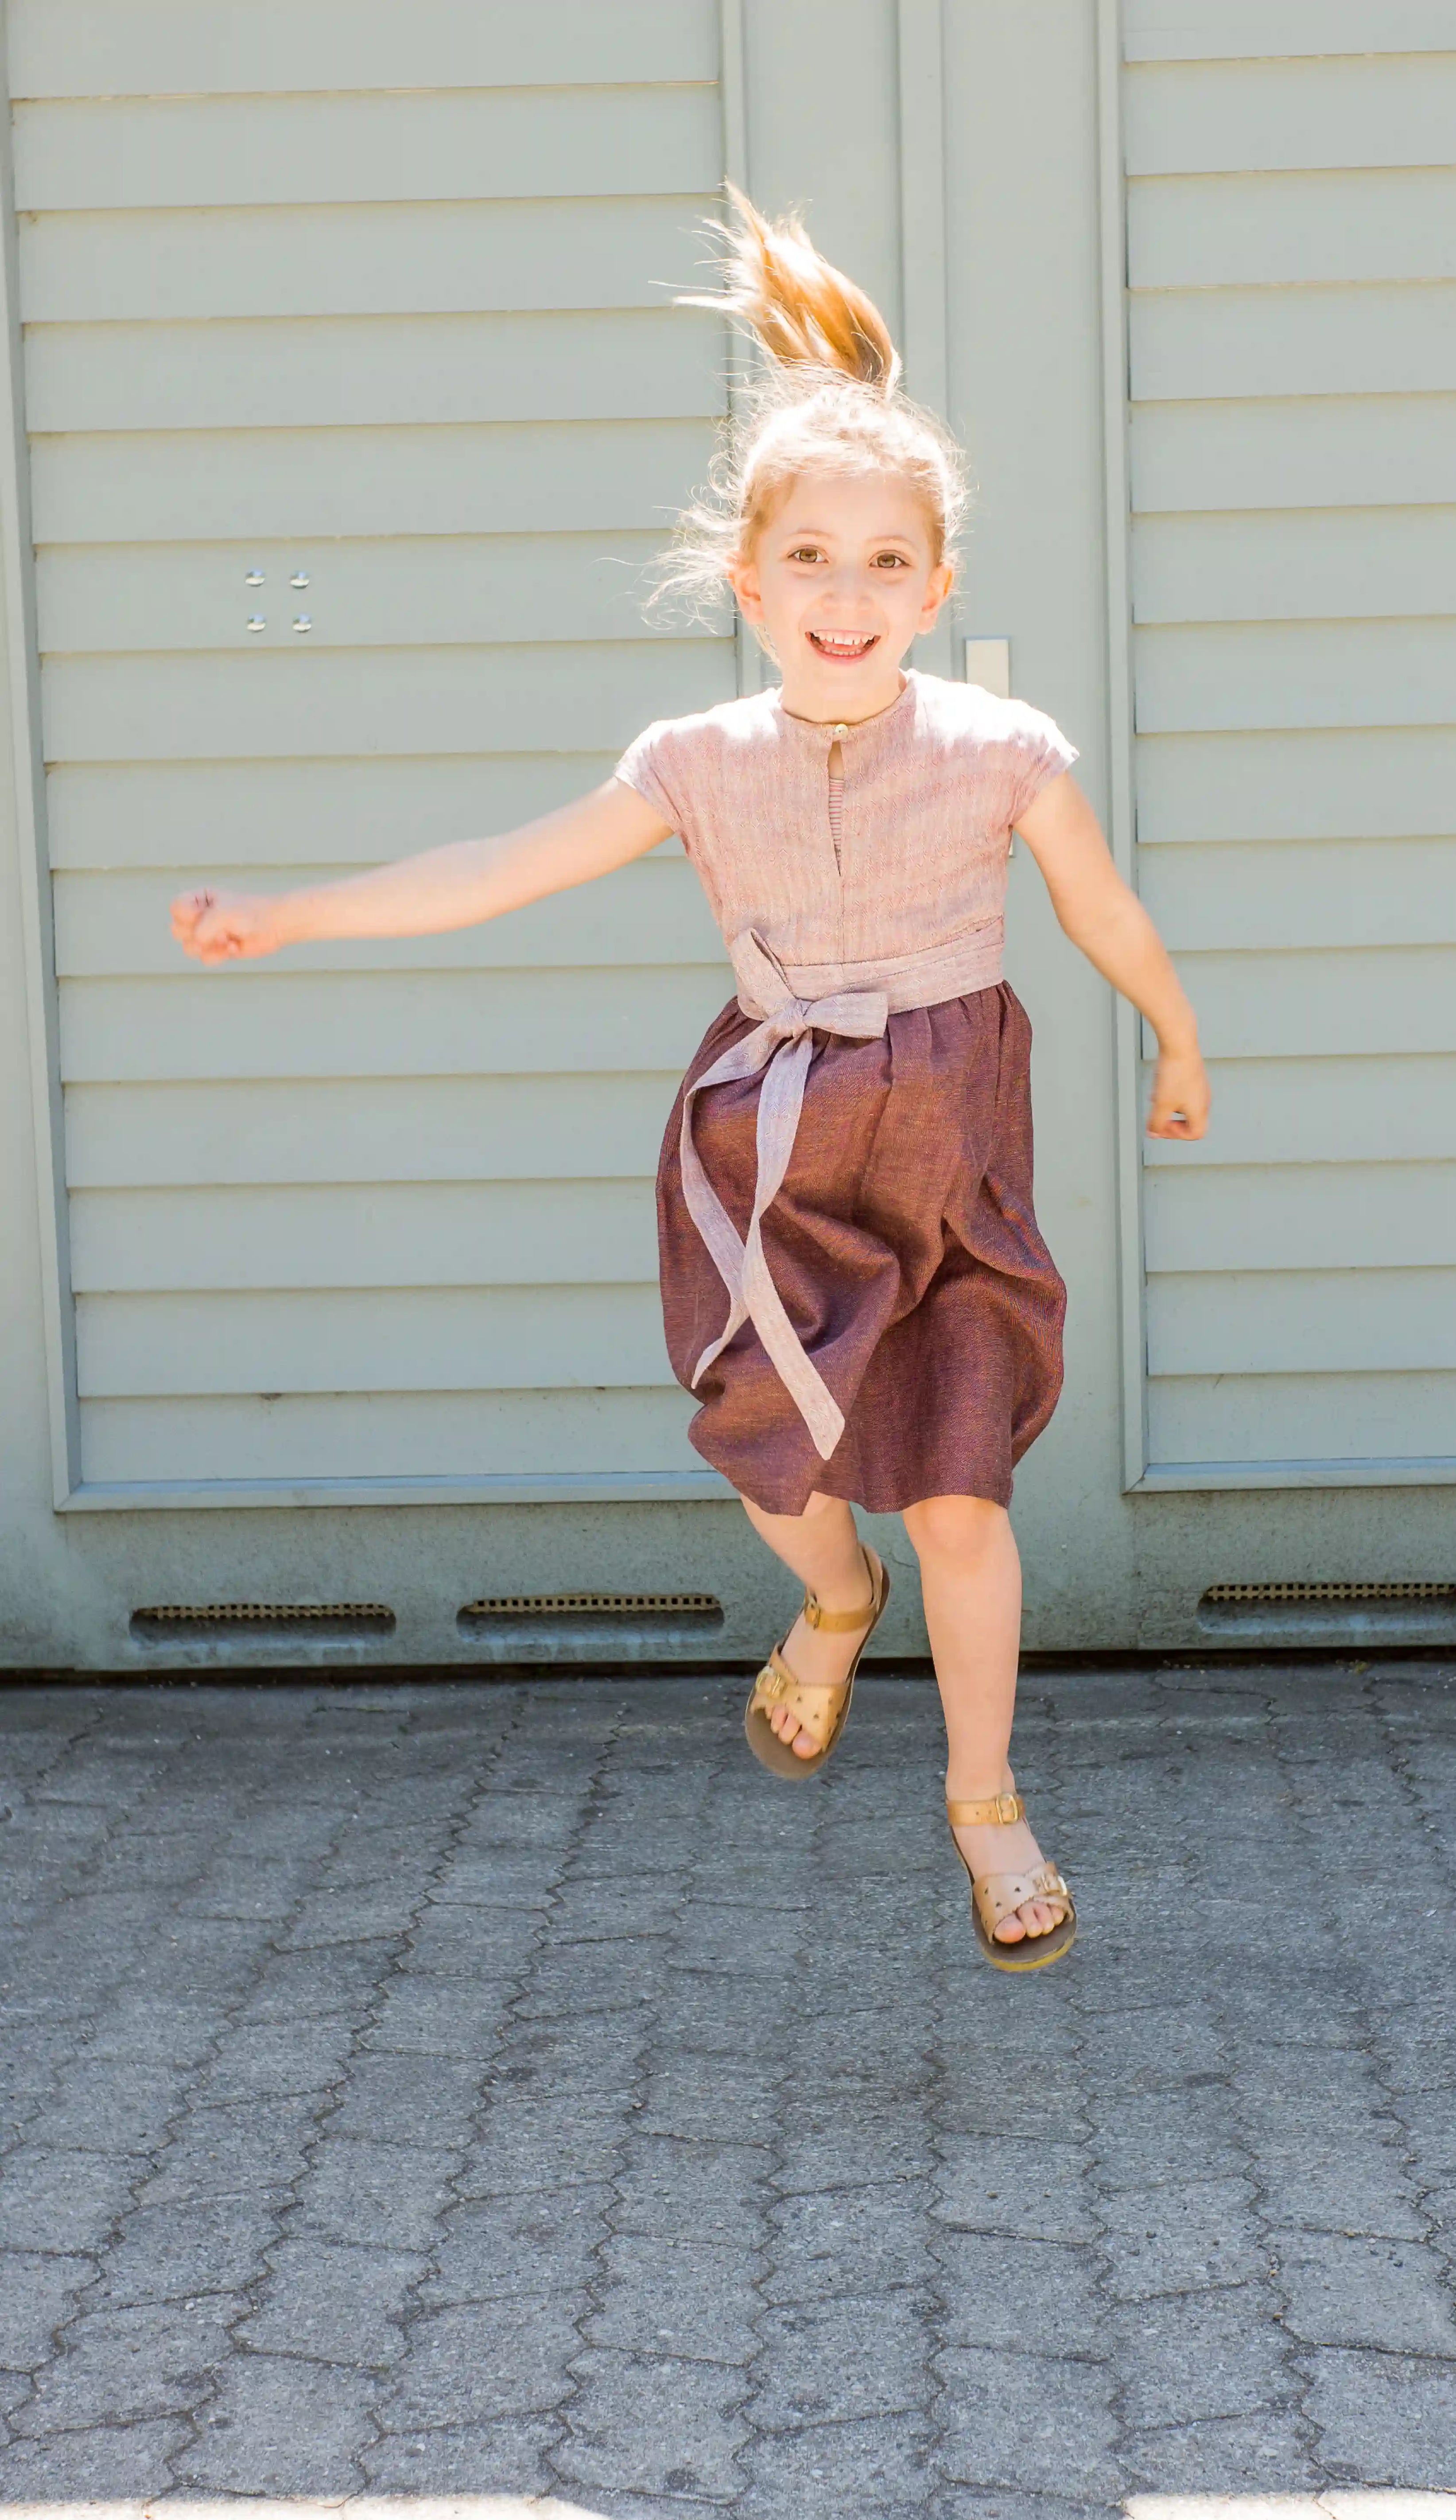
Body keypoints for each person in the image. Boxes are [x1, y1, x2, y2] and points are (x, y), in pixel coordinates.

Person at [171, 189, 1210, 1972]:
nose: (848, 596)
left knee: (964, 1489)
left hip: (954, 1154)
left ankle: (985, 1804)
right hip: (778, 1153)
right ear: (748, 581)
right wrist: (295, 913)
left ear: (939, 587)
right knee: (763, 1451)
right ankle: (833, 1601)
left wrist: (1181, 1037)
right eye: (811, 559)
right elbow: (497, 865)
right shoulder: (694, 762)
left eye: (889, 563)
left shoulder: (1001, 753)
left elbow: (1104, 912)